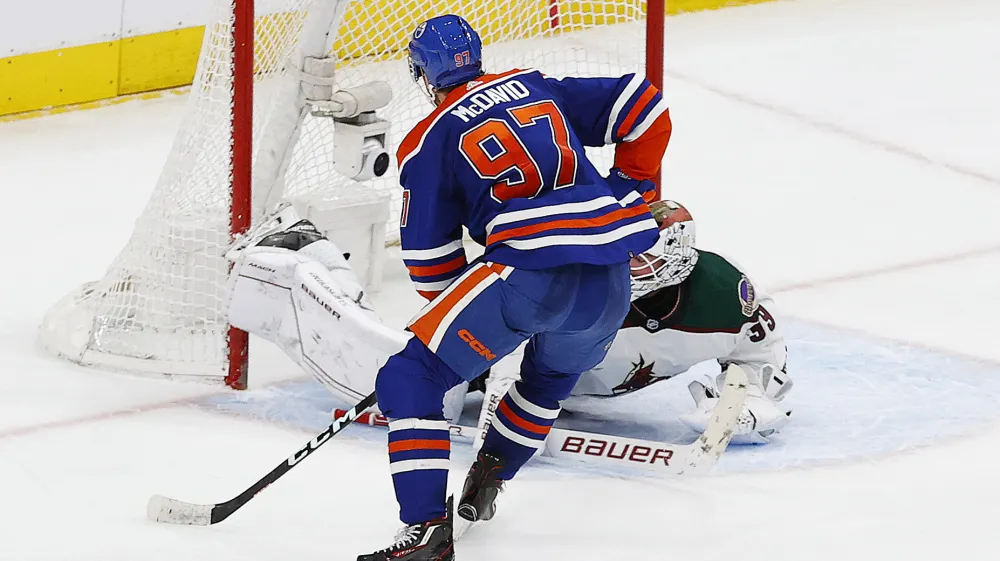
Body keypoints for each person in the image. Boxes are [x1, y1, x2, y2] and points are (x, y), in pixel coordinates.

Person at [368, 13, 670, 561]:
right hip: (611, 280)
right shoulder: (534, 85)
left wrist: (468, 340)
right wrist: (632, 191)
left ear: (423, 73)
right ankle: (490, 476)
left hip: (526, 273)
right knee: (547, 381)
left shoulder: (428, 140)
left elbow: (428, 264)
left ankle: (427, 532)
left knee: (410, 377)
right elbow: (643, 106)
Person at [477, 199, 792, 446]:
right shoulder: (581, 279)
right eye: (624, 254)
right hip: (488, 366)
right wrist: (507, 394)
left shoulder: (722, 291)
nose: (624, 268)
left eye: (640, 259)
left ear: (677, 260)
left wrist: (749, 393)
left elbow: (759, 343)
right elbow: (516, 328)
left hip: (575, 387)